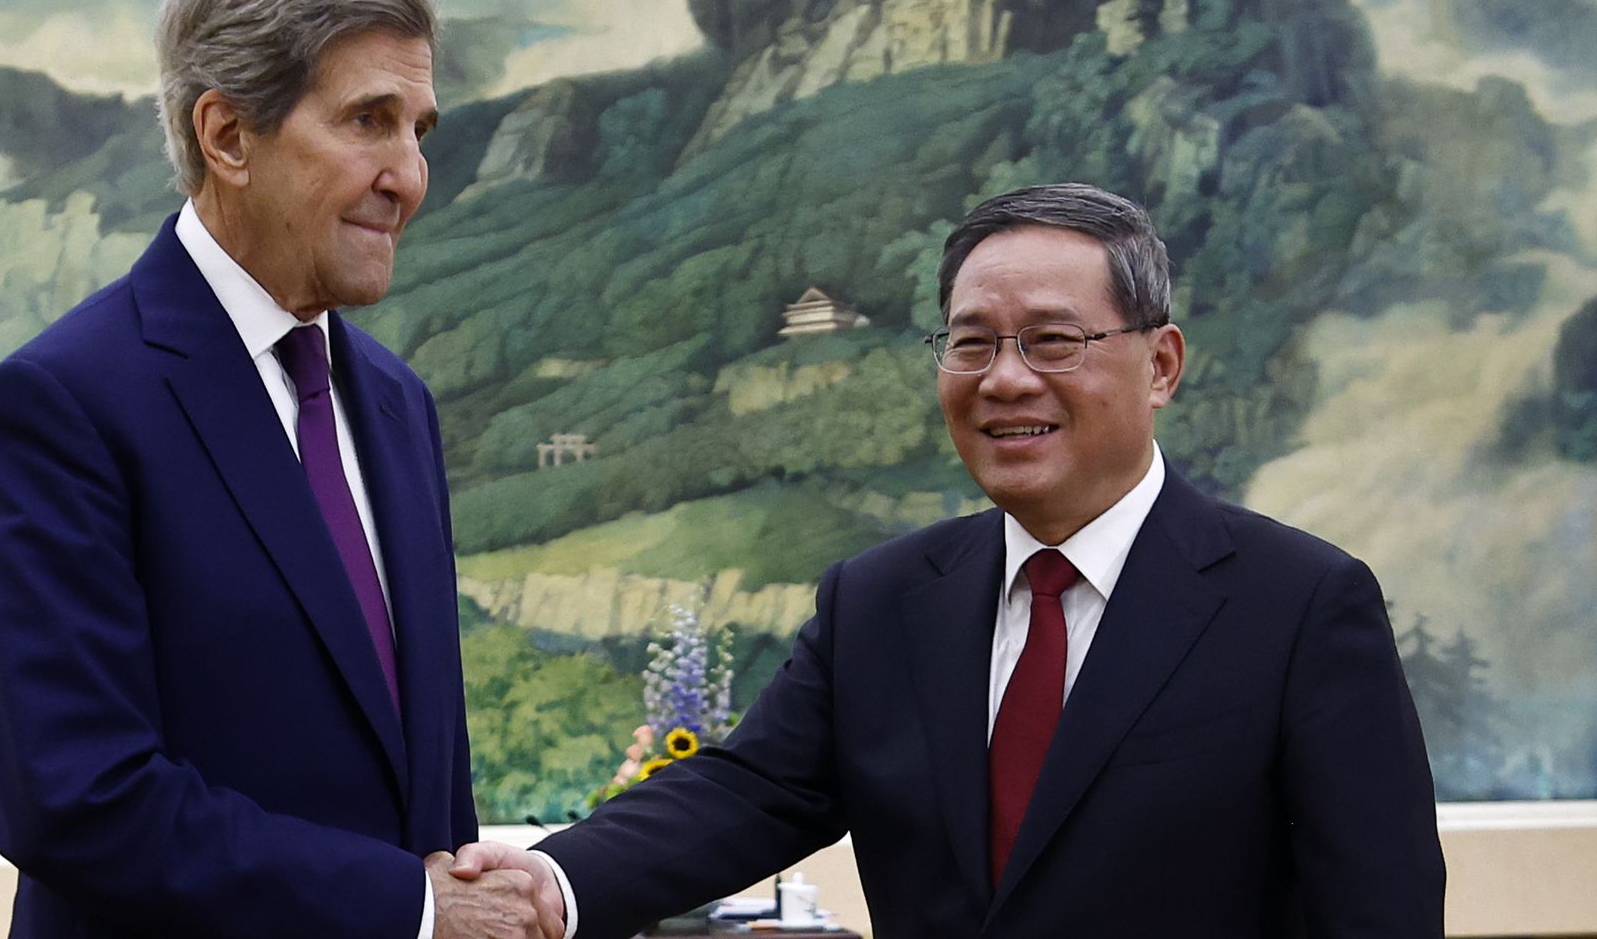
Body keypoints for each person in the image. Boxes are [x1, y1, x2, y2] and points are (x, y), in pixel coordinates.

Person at [453, 183, 1445, 937]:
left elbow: (1379, 909)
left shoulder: (1300, 607)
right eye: (971, 344)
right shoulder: (882, 601)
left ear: (1161, 365)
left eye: (1055, 341)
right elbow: (745, 794)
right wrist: (549, 881)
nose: (1005, 379)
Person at [0, 0, 554, 939]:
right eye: (369, 121)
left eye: (420, 131)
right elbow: (75, 798)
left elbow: (415, 774)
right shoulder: (57, 407)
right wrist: (408, 908)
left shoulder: (399, 403)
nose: (409, 177)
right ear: (228, 136)